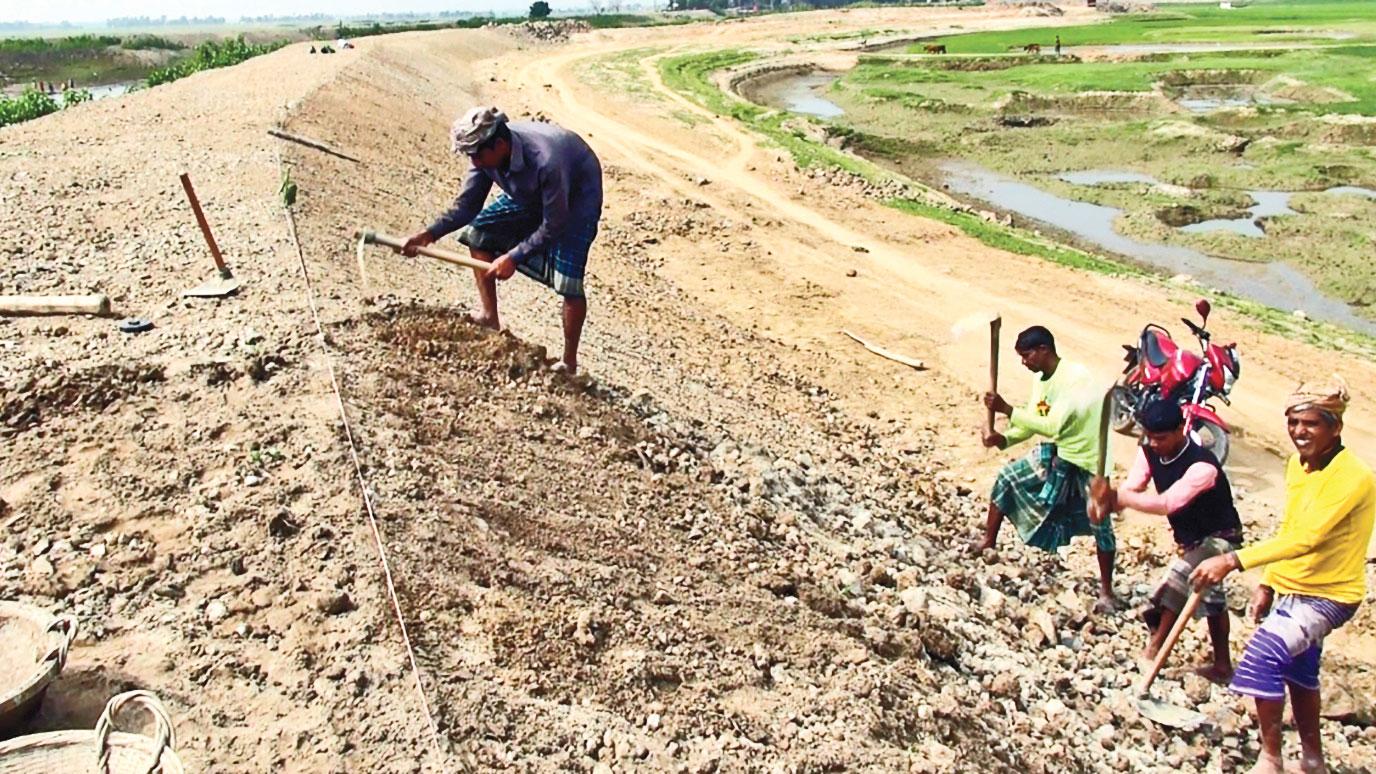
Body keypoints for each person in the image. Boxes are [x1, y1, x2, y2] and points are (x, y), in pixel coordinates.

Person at [1191, 375, 1374, 774]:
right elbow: (1291, 528)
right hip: (1297, 587)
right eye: (1293, 422)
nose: (1299, 432)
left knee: (1261, 656)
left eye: (1311, 424)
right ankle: (1313, 760)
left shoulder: (1353, 477)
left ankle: (1270, 759)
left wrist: (1232, 560)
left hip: (1331, 594)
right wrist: (1270, 582)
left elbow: (1308, 538)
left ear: (1335, 427)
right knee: (1300, 671)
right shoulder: (1298, 465)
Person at [400, 106, 603, 374]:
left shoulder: (546, 161)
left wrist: (514, 256)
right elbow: (467, 206)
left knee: (568, 282)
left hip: (576, 200)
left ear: (499, 144)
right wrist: (428, 235)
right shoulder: (484, 158)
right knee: (478, 233)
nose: (474, 162)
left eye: (477, 155)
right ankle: (489, 316)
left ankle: (569, 362)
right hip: (530, 192)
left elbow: (555, 223)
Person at [1090, 399, 1242, 682]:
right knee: (1213, 599)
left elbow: (1168, 503)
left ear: (1180, 431)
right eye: (1149, 437)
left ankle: (1155, 649)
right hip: (1191, 540)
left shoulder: (1203, 466)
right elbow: (1133, 486)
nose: (1154, 444)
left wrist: (1117, 498)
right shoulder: (1148, 452)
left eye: (1161, 438)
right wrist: (1107, 503)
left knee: (1181, 577)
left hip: (1221, 537)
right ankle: (1223, 666)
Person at [978, 325, 1117, 613]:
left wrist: (1007, 409)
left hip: (1092, 459)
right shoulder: (1042, 380)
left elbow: (1053, 425)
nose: (1024, 363)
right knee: (1007, 477)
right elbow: (1032, 421)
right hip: (1062, 452)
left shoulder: (1075, 378)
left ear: (1044, 350)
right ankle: (987, 542)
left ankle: (1106, 591)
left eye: (1027, 356)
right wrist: (1004, 438)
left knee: (1100, 523)